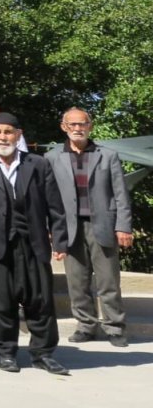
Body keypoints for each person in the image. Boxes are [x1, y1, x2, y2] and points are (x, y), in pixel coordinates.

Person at [0, 113, 69, 375]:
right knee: (1, 302)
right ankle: (5, 352)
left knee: (40, 300)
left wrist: (59, 240)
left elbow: (55, 206)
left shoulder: (37, 163)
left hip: (33, 243)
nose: (3, 137)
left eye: (8, 132)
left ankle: (43, 353)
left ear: (18, 134)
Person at [45, 107, 134, 347]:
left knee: (108, 282)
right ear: (64, 127)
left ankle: (115, 328)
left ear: (90, 126)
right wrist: (51, 227)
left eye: (82, 124)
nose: (77, 128)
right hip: (69, 227)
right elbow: (48, 197)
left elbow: (121, 194)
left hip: (103, 225)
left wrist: (124, 226)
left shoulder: (108, 155)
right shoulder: (53, 157)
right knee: (77, 282)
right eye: (72, 125)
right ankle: (85, 326)